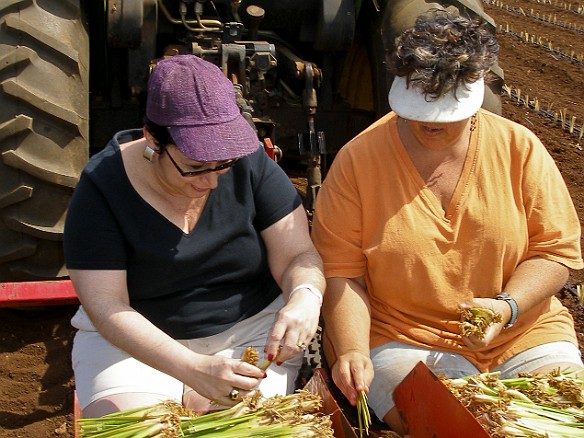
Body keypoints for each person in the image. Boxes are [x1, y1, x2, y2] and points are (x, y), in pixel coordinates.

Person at [311, 10, 584, 435]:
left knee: (562, 421)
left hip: (523, 330)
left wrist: (505, 308)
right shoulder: (358, 161)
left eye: (443, 115)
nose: (426, 125)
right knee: (451, 424)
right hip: (404, 337)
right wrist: (349, 349)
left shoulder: (518, 149)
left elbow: (553, 251)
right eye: (417, 109)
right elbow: (342, 273)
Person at [63, 54, 325, 417]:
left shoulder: (249, 161)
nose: (213, 180)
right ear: (152, 139)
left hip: (248, 335)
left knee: (237, 424)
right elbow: (108, 307)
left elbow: (298, 255)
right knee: (142, 425)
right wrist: (190, 367)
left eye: (224, 164)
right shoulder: (101, 188)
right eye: (195, 168)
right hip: (135, 343)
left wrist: (305, 297)